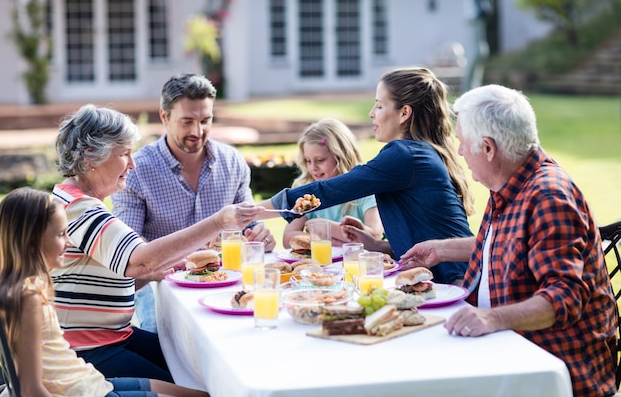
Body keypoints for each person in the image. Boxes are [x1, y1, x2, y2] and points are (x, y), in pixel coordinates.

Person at [400, 84, 617, 397]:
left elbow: (565, 297)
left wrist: (491, 317)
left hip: (549, 369)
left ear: (488, 149)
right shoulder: (511, 181)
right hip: (504, 349)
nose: (460, 152)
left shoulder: (548, 197)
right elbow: (506, 242)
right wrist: (441, 249)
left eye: (462, 143)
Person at [51, 104, 262, 382]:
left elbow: (114, 275)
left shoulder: (72, 199)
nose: (133, 163)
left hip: (110, 337)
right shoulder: (80, 208)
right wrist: (218, 222)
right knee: (198, 381)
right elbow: (141, 260)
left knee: (197, 365)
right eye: (125, 154)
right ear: (92, 156)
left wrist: (160, 269)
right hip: (90, 351)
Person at [259, 67, 476, 285]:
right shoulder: (420, 152)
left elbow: (330, 190)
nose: (372, 113)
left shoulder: (404, 154)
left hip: (456, 281)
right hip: (453, 276)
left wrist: (253, 212)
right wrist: (377, 245)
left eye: (380, 106)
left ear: (404, 113)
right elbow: (426, 234)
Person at [0, 187, 208, 397]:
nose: (69, 243)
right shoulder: (27, 298)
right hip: (82, 391)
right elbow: (30, 389)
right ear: (33, 243)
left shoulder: (27, 286)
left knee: (197, 393)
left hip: (88, 381)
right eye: (61, 235)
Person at [112, 73, 276, 333]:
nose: (197, 132)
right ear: (164, 117)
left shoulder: (232, 162)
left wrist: (258, 235)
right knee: (164, 341)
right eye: (187, 121)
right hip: (161, 285)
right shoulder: (137, 171)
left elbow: (249, 227)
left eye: (205, 120)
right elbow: (129, 260)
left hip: (224, 281)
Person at [282, 117, 383, 248]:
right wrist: (326, 240)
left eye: (320, 160)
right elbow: (288, 238)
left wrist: (321, 226)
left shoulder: (365, 190)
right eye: (308, 160)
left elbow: (375, 235)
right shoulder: (308, 192)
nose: (313, 168)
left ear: (341, 156)